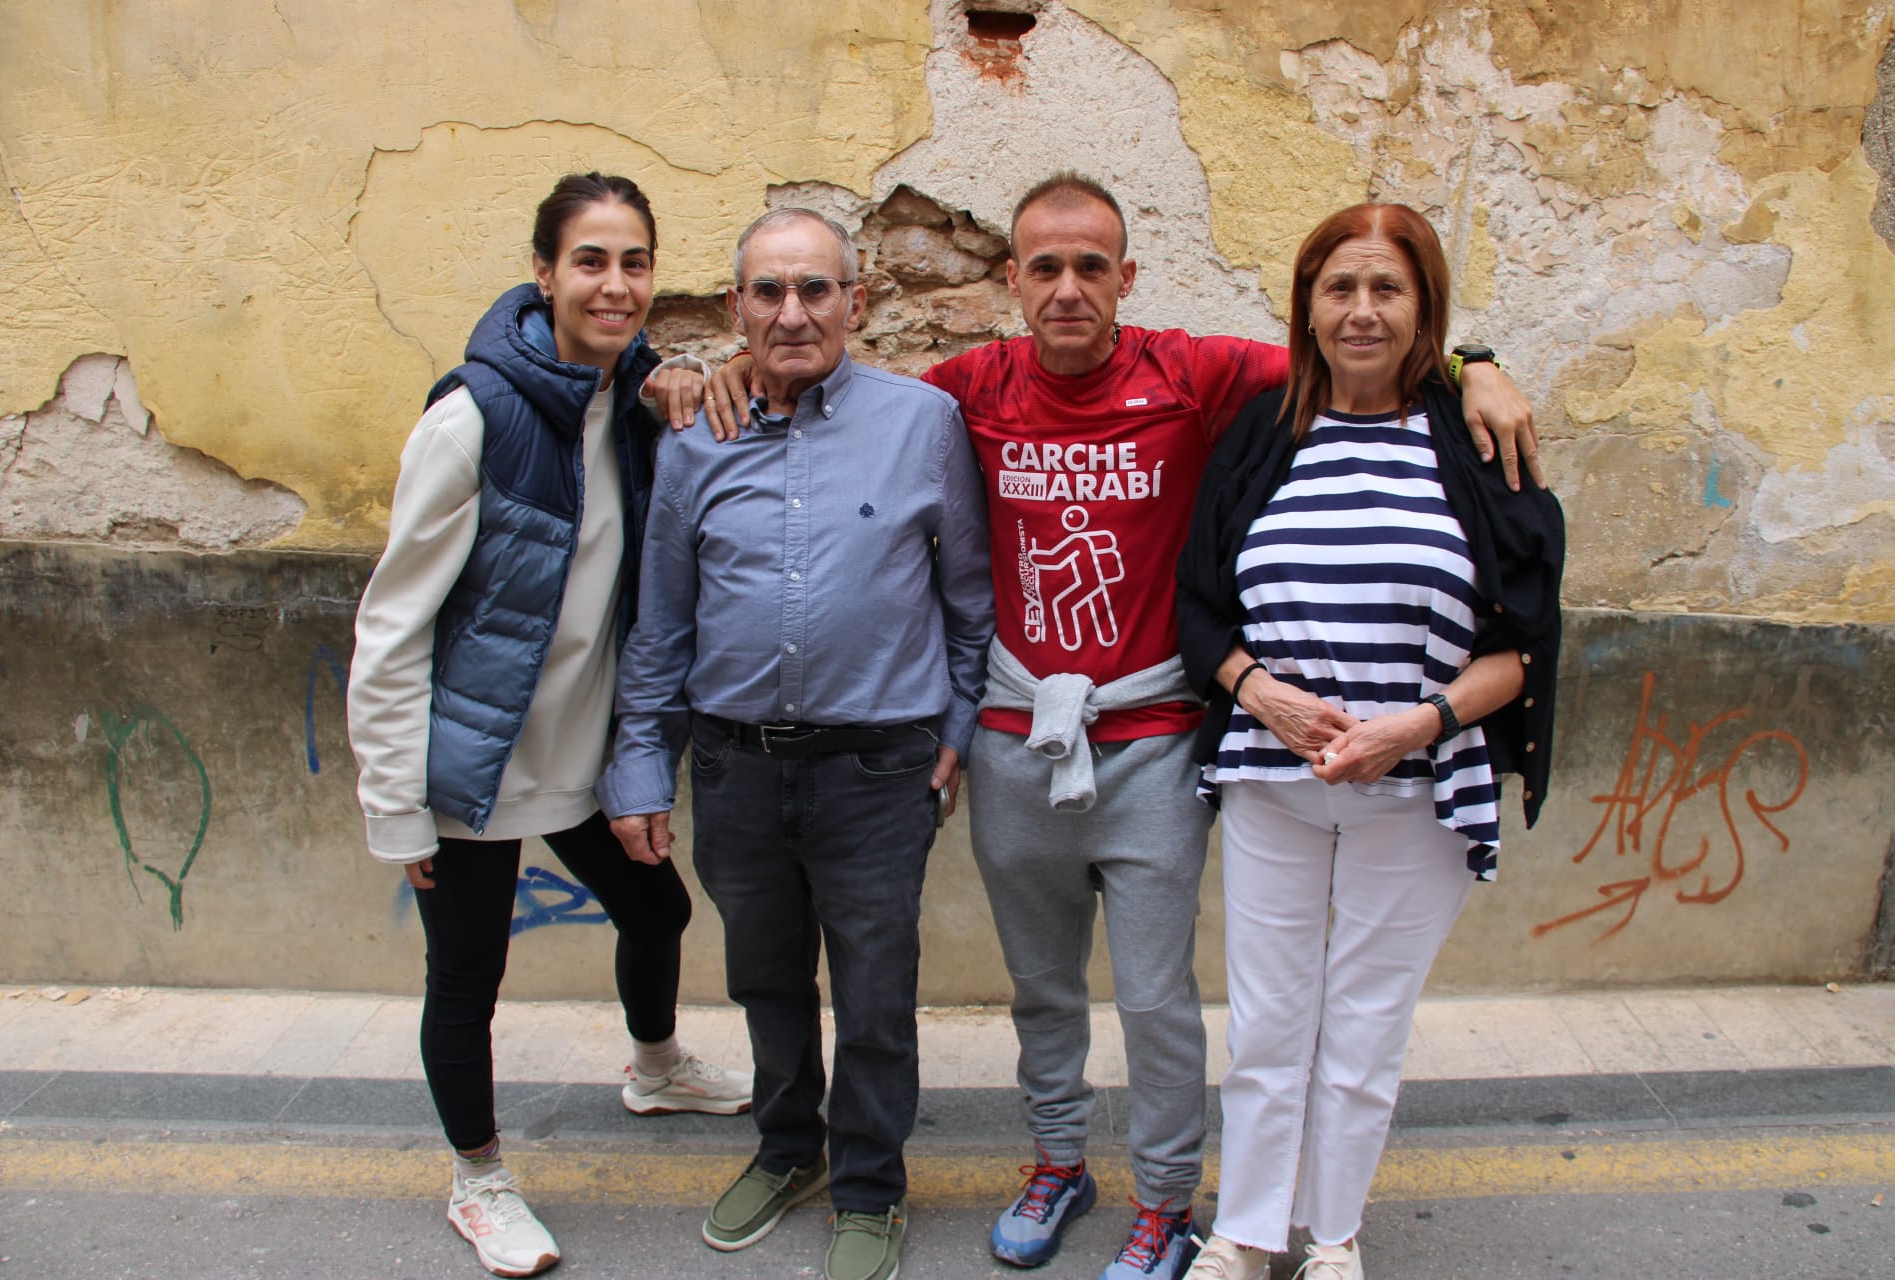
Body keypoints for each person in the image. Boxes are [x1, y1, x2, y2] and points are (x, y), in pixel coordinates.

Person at [705, 174, 1543, 1280]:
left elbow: (1355, 346)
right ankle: (1058, 1162)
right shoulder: (963, 391)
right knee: (1043, 989)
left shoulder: (1195, 374)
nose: (1068, 289)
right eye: (1045, 267)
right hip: (1017, 739)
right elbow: (841, 390)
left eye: (1091, 266)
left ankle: (1165, 1199)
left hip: (1155, 740)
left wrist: (1477, 363)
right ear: (1012, 280)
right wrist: (721, 371)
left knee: (1155, 998)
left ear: (1126, 278)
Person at [346, 172, 750, 1280]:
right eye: (589, 261)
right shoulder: (472, 418)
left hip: (581, 753)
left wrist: (674, 378)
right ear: (543, 273)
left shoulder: (632, 404)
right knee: (466, 977)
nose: (614, 285)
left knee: (657, 907)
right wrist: (397, 803)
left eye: (634, 262)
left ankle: (655, 1068)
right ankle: (478, 1180)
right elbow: (391, 625)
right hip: (473, 765)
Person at [1173, 204, 1564, 1280]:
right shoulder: (1265, 432)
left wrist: (1419, 725)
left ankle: (1334, 1233)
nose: (1361, 310)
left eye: (1387, 288)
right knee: (1267, 1023)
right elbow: (1198, 605)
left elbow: (1525, 643)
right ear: (1306, 304)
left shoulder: (1474, 442)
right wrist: (1263, 696)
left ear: (1425, 308)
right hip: (1273, 782)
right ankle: (1246, 1230)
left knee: (1365, 1025)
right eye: (1339, 287)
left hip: (1420, 788)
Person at [604, 207, 995, 1280]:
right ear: (736, 308)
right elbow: (661, 623)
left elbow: (970, 601)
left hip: (879, 770)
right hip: (735, 765)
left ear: (855, 304)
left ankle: (869, 1185)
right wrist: (641, 764)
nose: (792, 312)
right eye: (769, 291)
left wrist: (957, 728)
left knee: (875, 995)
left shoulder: (922, 422)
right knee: (765, 981)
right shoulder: (695, 436)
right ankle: (788, 1149)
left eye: (816, 288)